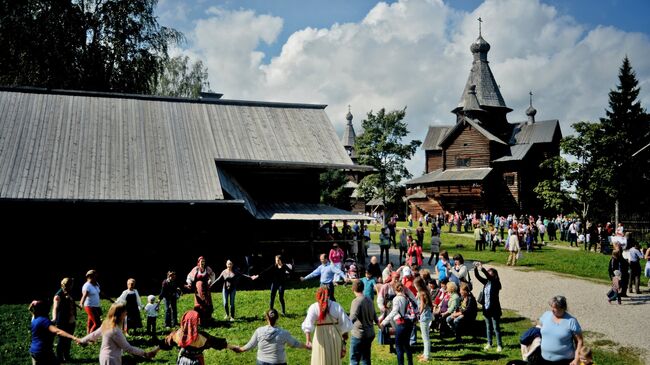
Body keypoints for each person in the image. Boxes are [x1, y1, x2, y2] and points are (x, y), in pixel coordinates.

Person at [79, 302, 158, 365]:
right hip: (111, 360)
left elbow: (94, 334)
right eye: (124, 311)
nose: (126, 313)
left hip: (104, 357)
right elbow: (128, 348)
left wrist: (82, 340)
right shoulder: (115, 331)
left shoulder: (106, 324)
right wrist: (144, 353)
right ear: (119, 314)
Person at [231, 308, 309, 364]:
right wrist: (307, 346)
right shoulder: (284, 333)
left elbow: (250, 345)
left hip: (261, 362)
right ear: (277, 318)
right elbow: (295, 343)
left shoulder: (259, 331)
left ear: (266, 318)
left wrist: (240, 349)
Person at [301, 287, 353, 365]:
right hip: (334, 337)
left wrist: (308, 340)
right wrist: (344, 340)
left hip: (320, 336)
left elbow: (308, 324)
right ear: (329, 295)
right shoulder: (336, 306)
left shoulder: (314, 307)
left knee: (320, 359)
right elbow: (345, 323)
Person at [160, 310, 230, 365]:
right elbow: (218, 343)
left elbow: (167, 341)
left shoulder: (178, 335)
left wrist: (155, 351)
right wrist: (234, 347)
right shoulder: (202, 337)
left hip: (183, 361)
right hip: (197, 362)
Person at [29, 299, 79, 365]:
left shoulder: (34, 319)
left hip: (33, 351)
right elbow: (58, 331)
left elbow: (43, 326)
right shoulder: (44, 321)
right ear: (45, 309)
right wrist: (74, 337)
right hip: (43, 352)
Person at [538, 295, 583, 365]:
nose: (552, 310)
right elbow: (538, 328)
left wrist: (577, 359)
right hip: (543, 359)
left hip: (564, 361)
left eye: (555, 308)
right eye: (551, 307)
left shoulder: (571, 321)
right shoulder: (546, 315)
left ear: (563, 308)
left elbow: (579, 341)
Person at [379, 281, 413, 365]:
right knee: (407, 345)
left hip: (400, 323)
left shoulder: (396, 299)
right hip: (408, 322)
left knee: (398, 347)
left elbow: (394, 311)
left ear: (395, 290)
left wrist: (383, 322)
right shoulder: (406, 297)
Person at [474, 262, 503, 352]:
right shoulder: (487, 282)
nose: (488, 274)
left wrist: (482, 268)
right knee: (488, 327)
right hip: (486, 308)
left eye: (490, 272)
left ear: (494, 275)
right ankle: (489, 343)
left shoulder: (496, 282)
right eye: (488, 272)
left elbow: (488, 276)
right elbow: (478, 277)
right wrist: (475, 268)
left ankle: (499, 345)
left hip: (494, 309)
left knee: (496, 328)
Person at [349, 280, 378, 365]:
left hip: (359, 334)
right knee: (365, 358)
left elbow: (352, 317)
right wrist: (379, 324)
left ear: (353, 288)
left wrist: (345, 326)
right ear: (363, 288)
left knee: (354, 360)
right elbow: (374, 314)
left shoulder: (356, 301)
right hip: (370, 333)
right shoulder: (369, 299)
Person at [52, 277, 79, 363]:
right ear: (69, 285)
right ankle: (59, 358)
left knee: (68, 340)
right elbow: (55, 308)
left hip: (71, 320)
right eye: (71, 284)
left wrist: (77, 306)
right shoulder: (58, 295)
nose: (72, 286)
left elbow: (70, 302)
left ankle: (66, 356)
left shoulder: (69, 292)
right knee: (62, 340)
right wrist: (54, 318)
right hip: (62, 321)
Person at [80, 269, 113, 334]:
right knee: (97, 323)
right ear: (89, 277)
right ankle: (90, 339)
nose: (96, 277)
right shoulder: (87, 286)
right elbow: (84, 295)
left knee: (91, 322)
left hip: (96, 306)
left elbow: (100, 293)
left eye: (96, 276)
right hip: (89, 306)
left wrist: (109, 299)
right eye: (94, 276)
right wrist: (81, 303)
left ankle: (88, 335)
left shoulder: (96, 284)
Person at [186, 256, 217, 323]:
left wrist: (210, 281)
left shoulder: (207, 268)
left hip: (206, 288)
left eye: (204, 262)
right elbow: (189, 276)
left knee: (207, 302)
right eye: (201, 261)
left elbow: (212, 274)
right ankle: (200, 319)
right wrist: (189, 283)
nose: (203, 263)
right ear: (198, 262)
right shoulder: (196, 269)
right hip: (198, 288)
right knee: (199, 303)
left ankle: (208, 318)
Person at [413, 277, 432, 362]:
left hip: (424, 316)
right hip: (427, 316)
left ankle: (427, 356)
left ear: (418, 285)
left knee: (425, 337)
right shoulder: (425, 291)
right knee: (425, 336)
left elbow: (422, 306)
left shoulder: (421, 293)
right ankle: (425, 353)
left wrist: (417, 315)